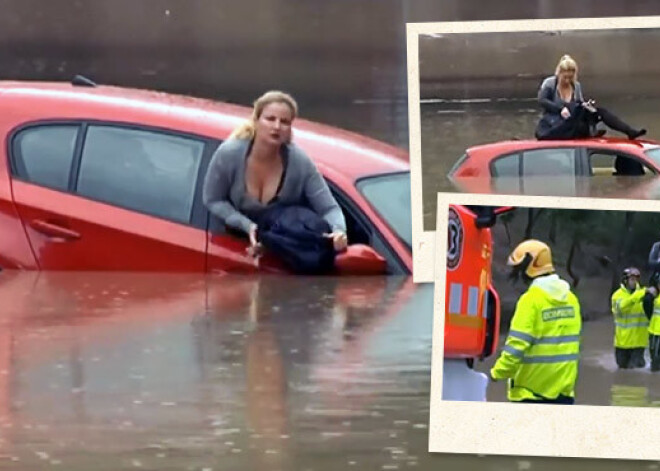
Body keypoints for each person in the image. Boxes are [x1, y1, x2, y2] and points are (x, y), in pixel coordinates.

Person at [202, 90, 348, 259]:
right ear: (256, 121)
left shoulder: (299, 162)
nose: (277, 127)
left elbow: (328, 207)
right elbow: (213, 199)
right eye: (270, 119)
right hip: (228, 246)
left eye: (284, 122)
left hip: (283, 248)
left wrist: (339, 231)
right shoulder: (230, 154)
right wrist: (246, 225)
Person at [490, 239, 582, 404]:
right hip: (564, 396)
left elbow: (516, 346)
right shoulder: (571, 299)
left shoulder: (530, 300)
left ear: (529, 266)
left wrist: (497, 373)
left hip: (530, 395)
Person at [534, 54, 646, 141]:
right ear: (559, 73)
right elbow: (542, 100)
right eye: (565, 78)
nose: (568, 81)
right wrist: (560, 109)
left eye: (570, 77)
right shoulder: (550, 83)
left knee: (600, 111)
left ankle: (629, 131)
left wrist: (586, 106)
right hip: (556, 123)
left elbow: (578, 104)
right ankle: (590, 132)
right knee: (581, 125)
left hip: (573, 121)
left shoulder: (576, 85)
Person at [610, 267, 649, 369]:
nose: (634, 282)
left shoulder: (644, 295)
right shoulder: (617, 295)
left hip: (638, 343)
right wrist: (636, 297)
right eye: (632, 279)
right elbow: (621, 308)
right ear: (625, 280)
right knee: (622, 369)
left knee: (636, 371)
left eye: (636, 279)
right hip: (622, 342)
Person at [643, 276, 660, 372]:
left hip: (656, 331)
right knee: (654, 357)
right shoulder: (653, 297)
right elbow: (647, 306)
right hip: (655, 331)